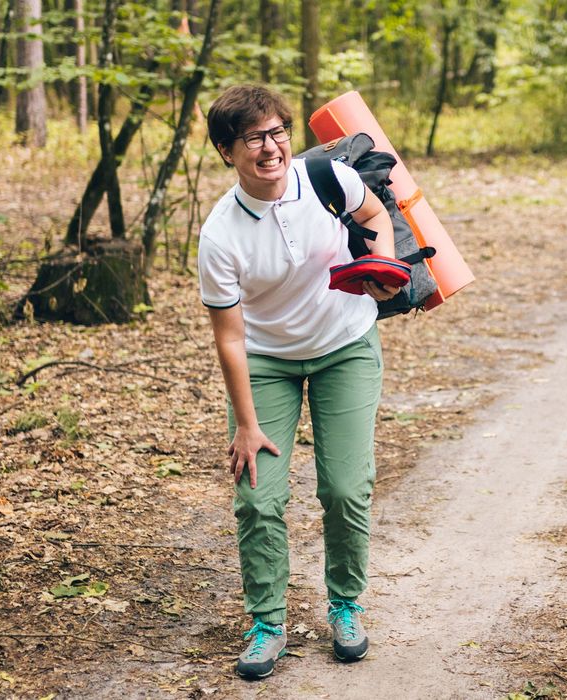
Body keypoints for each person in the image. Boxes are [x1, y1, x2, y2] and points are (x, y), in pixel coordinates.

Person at [197, 84, 398, 680]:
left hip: (345, 347)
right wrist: (247, 426)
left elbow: (374, 213)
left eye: (278, 132)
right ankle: (266, 622)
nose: (270, 146)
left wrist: (381, 265)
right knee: (258, 496)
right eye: (253, 138)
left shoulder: (329, 179)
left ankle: (345, 605)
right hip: (267, 362)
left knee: (345, 487)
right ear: (226, 151)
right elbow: (230, 339)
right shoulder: (220, 234)